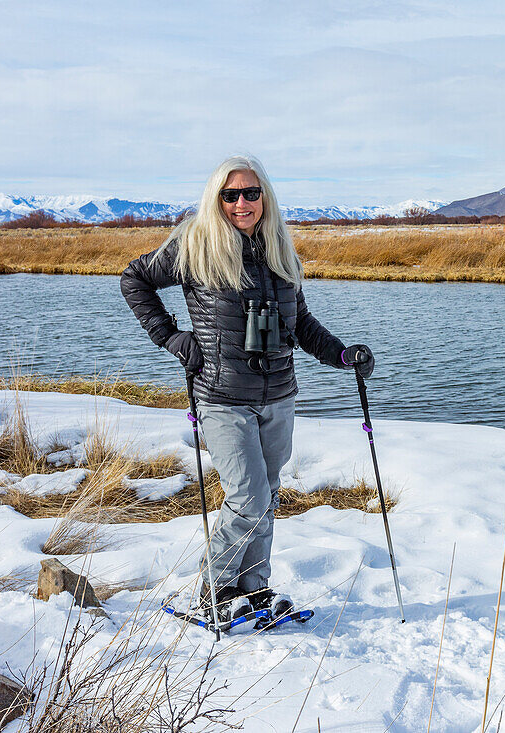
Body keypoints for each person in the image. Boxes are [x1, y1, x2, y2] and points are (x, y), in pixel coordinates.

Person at [120, 154, 374, 623]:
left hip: (278, 395)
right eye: (231, 194)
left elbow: (303, 325)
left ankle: (255, 588)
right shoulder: (194, 247)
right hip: (222, 396)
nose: (242, 202)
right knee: (248, 497)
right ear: (217, 199)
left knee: (268, 493)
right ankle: (212, 591)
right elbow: (134, 278)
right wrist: (170, 337)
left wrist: (342, 355)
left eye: (251, 193)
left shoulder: (280, 251)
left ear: (265, 197)